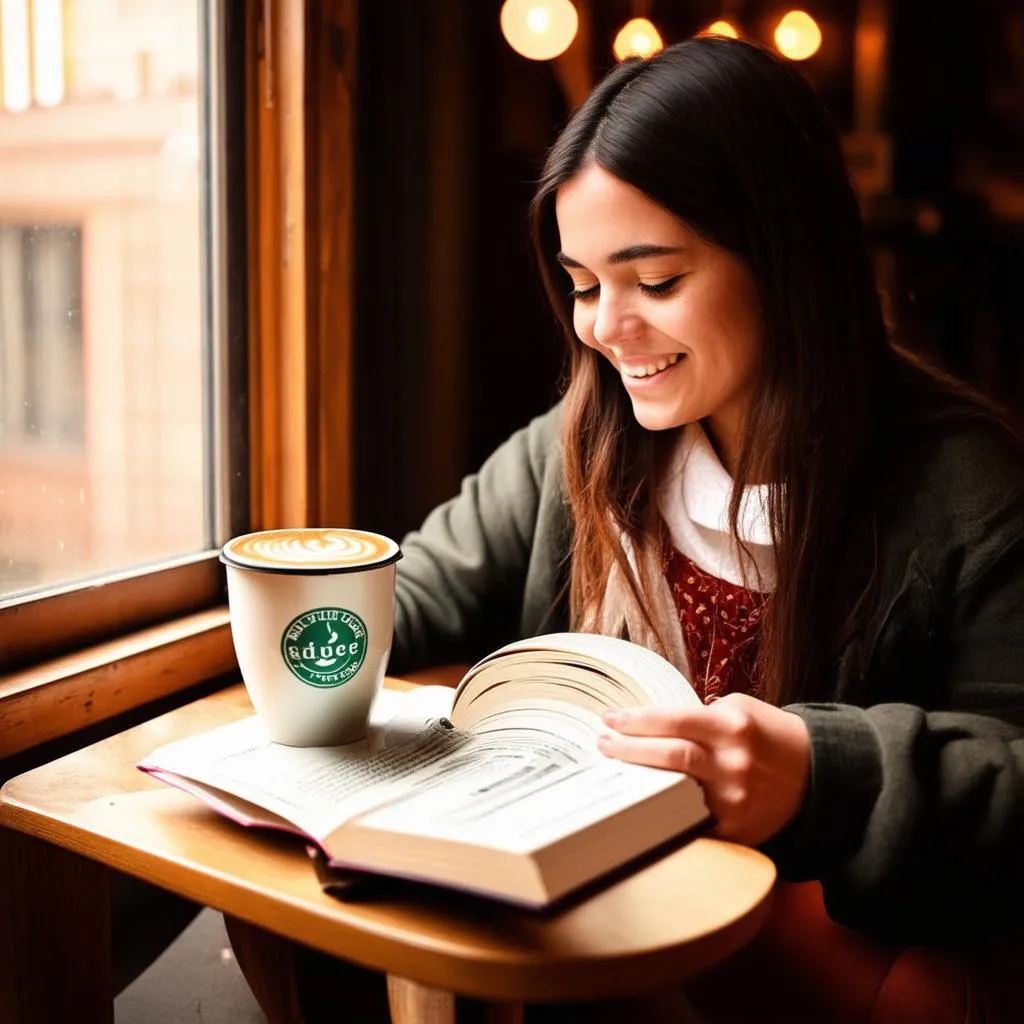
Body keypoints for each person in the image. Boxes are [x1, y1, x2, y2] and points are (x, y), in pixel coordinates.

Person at [286, 35, 1024, 1022]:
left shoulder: (963, 485)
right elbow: (415, 595)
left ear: (784, 255)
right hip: (604, 941)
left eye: (656, 280)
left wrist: (819, 773)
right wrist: (295, 644)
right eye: (584, 284)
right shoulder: (583, 443)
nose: (603, 326)